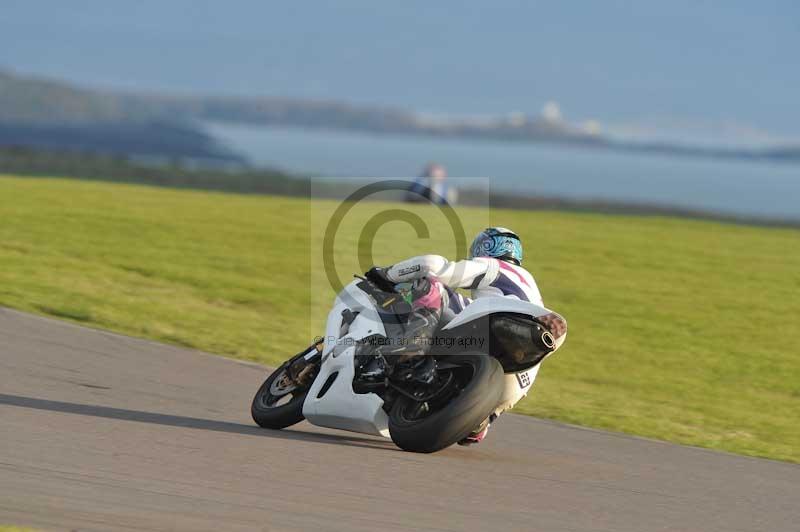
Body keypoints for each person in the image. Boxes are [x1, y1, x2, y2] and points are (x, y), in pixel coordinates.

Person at [366, 227, 566, 445]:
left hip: (497, 326)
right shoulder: (530, 286)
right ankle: (480, 419)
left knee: (428, 284)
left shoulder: (492, 265)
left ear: (484, 246)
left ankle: (412, 351)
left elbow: (433, 265)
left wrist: (386, 274)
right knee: (470, 432)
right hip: (518, 379)